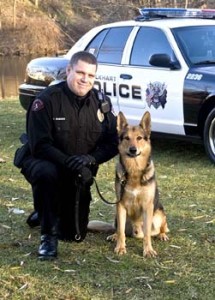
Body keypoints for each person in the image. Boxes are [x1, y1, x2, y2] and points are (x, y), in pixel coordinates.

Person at [20, 51, 118, 259]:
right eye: (80, 72)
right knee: (48, 173)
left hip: (79, 171)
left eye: (91, 75)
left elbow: (113, 142)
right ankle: (47, 236)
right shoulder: (47, 100)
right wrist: (67, 161)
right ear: (68, 71)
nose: (85, 79)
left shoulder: (101, 103)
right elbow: (40, 145)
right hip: (44, 162)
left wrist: (91, 159)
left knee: (74, 235)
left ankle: (44, 212)